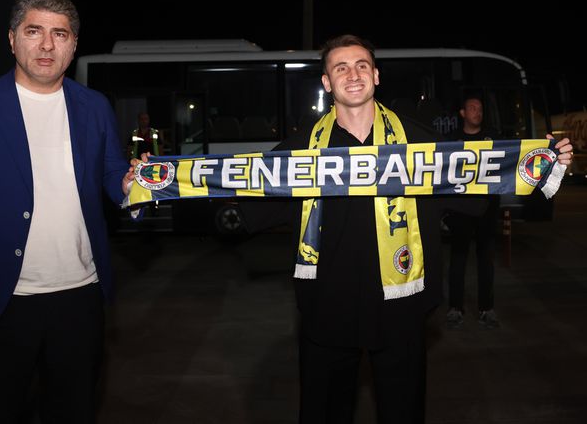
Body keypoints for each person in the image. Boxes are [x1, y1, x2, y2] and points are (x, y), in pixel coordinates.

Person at [238, 34, 574, 424]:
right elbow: (243, 198)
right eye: (341, 67)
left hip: (401, 309)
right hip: (327, 310)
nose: (353, 75)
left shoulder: (421, 145)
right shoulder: (298, 152)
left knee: (403, 412)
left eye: (362, 65)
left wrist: (544, 161)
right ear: (327, 82)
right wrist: (176, 180)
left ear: (376, 75)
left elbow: (482, 185)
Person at [0, 0, 136, 423]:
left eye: (59, 34)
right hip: (0, 301)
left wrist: (131, 185)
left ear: (73, 45)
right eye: (34, 31)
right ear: (12, 39)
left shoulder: (94, 106)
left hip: (80, 297)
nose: (46, 45)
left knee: (73, 410)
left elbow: (112, 175)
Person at [445, 96, 501, 330]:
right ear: (462, 113)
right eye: (472, 108)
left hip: (487, 210)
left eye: (480, 108)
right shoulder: (451, 141)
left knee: (486, 261)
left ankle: (486, 309)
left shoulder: (494, 139)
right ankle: (455, 308)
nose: (478, 112)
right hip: (460, 211)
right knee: (458, 260)